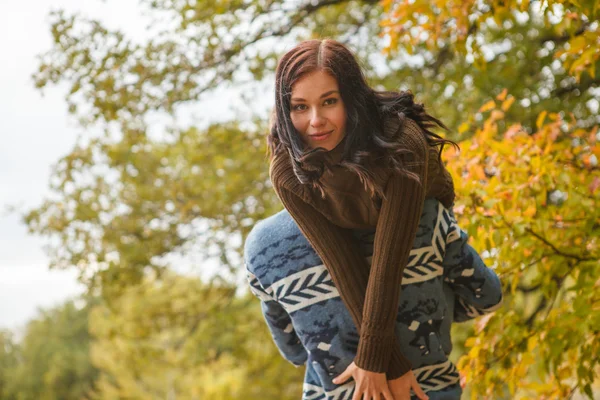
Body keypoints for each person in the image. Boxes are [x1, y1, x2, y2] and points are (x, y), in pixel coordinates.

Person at [266, 38, 461, 398]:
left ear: (351, 100)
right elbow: (342, 263)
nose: (315, 121)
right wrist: (390, 365)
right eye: (299, 106)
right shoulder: (286, 170)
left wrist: (375, 362)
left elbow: (388, 263)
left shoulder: (402, 143)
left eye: (329, 101)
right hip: (350, 231)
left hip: (414, 227)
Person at [244, 198, 503, 399]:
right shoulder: (426, 213)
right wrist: (434, 304)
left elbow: (295, 351)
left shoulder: (263, 245)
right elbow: (487, 296)